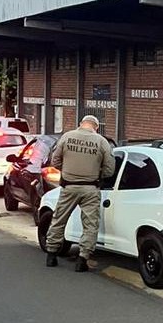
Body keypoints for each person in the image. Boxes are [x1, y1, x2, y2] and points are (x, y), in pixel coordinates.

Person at [44, 115, 115, 272]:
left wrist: (69, 171)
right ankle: (82, 259)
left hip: (68, 187)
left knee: (59, 219)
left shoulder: (67, 137)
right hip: (90, 188)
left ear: (80, 124)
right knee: (90, 224)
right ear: (96, 127)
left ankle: (51, 254)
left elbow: (55, 161)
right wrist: (96, 174)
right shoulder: (101, 142)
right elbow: (110, 169)